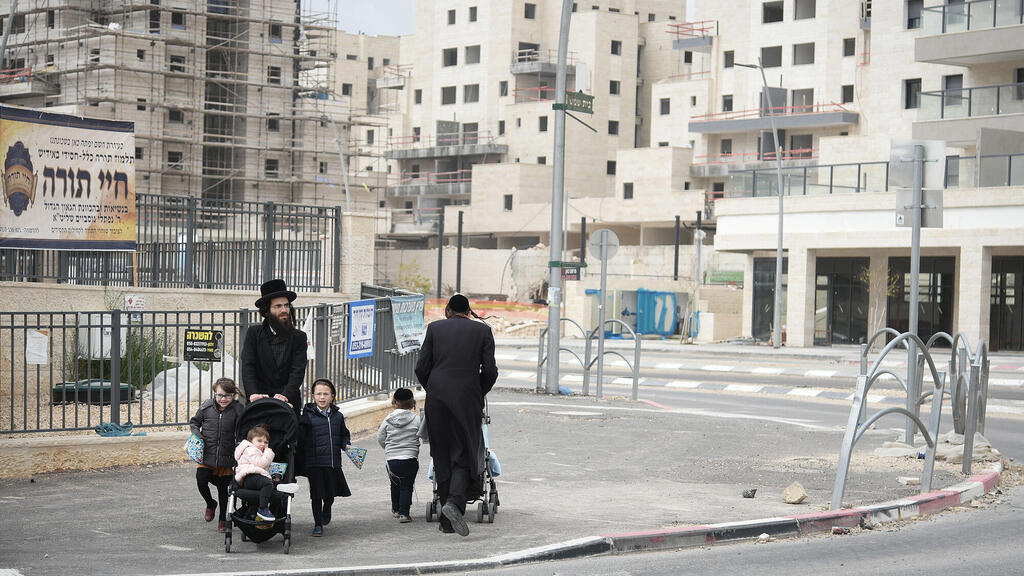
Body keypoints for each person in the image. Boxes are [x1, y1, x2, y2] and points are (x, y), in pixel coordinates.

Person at [415, 294, 498, 537]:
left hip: (437, 398)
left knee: (441, 453)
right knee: (463, 453)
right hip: (467, 399)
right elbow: (490, 370)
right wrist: (476, 390)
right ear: (468, 311)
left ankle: (446, 520)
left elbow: (421, 367)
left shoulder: (435, 328)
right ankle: (453, 505)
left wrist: (435, 388)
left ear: (448, 310)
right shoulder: (482, 332)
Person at [240, 278, 307, 415]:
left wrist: (285, 395)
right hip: (259, 399)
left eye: (286, 305)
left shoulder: (299, 337)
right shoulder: (254, 333)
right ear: (266, 311)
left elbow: (298, 370)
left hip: (287, 401)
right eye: (278, 306)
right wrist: (253, 394)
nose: (284, 310)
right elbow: (248, 366)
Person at [189, 377, 244, 532]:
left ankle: (222, 519)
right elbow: (194, 422)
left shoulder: (238, 409)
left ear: (233, 395)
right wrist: (197, 435)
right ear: (214, 393)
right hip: (207, 453)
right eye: (219, 395)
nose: (223, 399)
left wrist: (239, 445)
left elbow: (242, 432)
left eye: (227, 395)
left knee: (223, 490)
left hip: (227, 456)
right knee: (201, 480)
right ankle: (210, 503)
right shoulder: (206, 407)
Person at [298, 378, 352, 537]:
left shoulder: (338, 416)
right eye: (318, 394)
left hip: (333, 461)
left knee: (330, 494)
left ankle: (327, 507)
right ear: (313, 396)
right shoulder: (307, 417)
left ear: (333, 396)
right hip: (314, 463)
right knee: (316, 495)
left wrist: (346, 444)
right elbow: (300, 438)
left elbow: (344, 435)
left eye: (326, 394)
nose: (322, 397)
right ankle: (318, 524)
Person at [376, 387, 421, 523]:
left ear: (394, 402)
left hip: (392, 460)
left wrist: (388, 448)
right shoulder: (416, 419)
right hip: (410, 458)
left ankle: (395, 509)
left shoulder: (388, 420)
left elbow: (380, 437)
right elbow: (424, 435)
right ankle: (404, 513)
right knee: (407, 486)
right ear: (413, 403)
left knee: (395, 484)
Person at [234, 425, 277, 522]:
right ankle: (263, 509)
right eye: (259, 441)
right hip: (249, 476)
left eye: (266, 442)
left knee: (269, 483)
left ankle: (253, 510)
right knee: (267, 483)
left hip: (253, 477)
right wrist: (269, 452)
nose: (263, 444)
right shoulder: (250, 449)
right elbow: (261, 463)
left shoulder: (256, 450)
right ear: (251, 441)